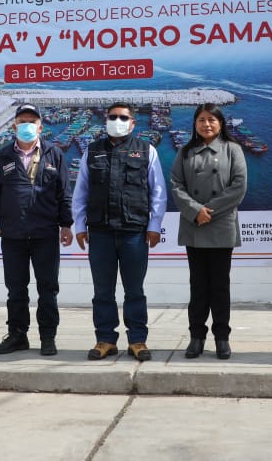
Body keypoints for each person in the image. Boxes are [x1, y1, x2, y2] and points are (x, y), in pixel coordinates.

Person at [72, 102, 166, 362]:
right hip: (100, 232)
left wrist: (154, 225)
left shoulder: (147, 151)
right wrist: (79, 226)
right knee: (102, 290)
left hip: (134, 232)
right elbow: (80, 191)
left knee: (134, 289)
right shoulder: (92, 152)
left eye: (122, 117)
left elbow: (158, 191)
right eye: (112, 116)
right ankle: (105, 339)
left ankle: (137, 339)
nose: (117, 120)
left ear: (133, 123)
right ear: (105, 120)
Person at [0, 103, 73, 357]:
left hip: (45, 233)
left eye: (31, 121)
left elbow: (64, 193)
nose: (27, 125)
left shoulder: (54, 154)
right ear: (14, 126)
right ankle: (17, 335)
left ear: (40, 127)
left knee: (48, 288)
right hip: (13, 234)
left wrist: (66, 225)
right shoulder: (3, 156)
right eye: (22, 121)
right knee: (15, 289)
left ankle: (48, 337)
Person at [170, 103, 247, 360]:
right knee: (198, 285)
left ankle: (222, 337)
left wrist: (208, 211)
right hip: (194, 226)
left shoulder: (233, 149)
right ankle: (196, 337)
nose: (207, 124)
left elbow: (239, 186)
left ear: (221, 123)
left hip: (221, 224)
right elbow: (176, 185)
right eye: (202, 120)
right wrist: (195, 211)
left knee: (220, 286)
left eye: (212, 120)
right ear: (195, 124)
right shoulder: (185, 151)